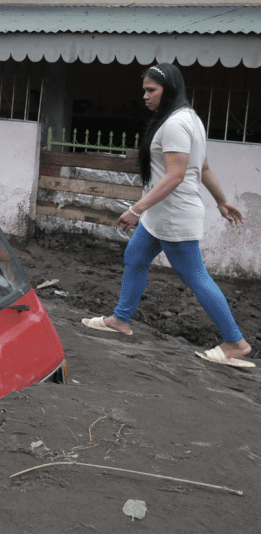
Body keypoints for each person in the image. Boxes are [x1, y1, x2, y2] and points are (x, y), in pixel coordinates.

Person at [82, 63, 252, 368]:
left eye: (151, 90)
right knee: (135, 256)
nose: (145, 96)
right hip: (160, 217)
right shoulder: (190, 119)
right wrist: (222, 201)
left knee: (195, 276)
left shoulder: (175, 124)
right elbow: (203, 169)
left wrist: (136, 209)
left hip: (174, 217)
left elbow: (175, 177)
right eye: (144, 90)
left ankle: (235, 342)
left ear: (169, 89)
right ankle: (120, 319)